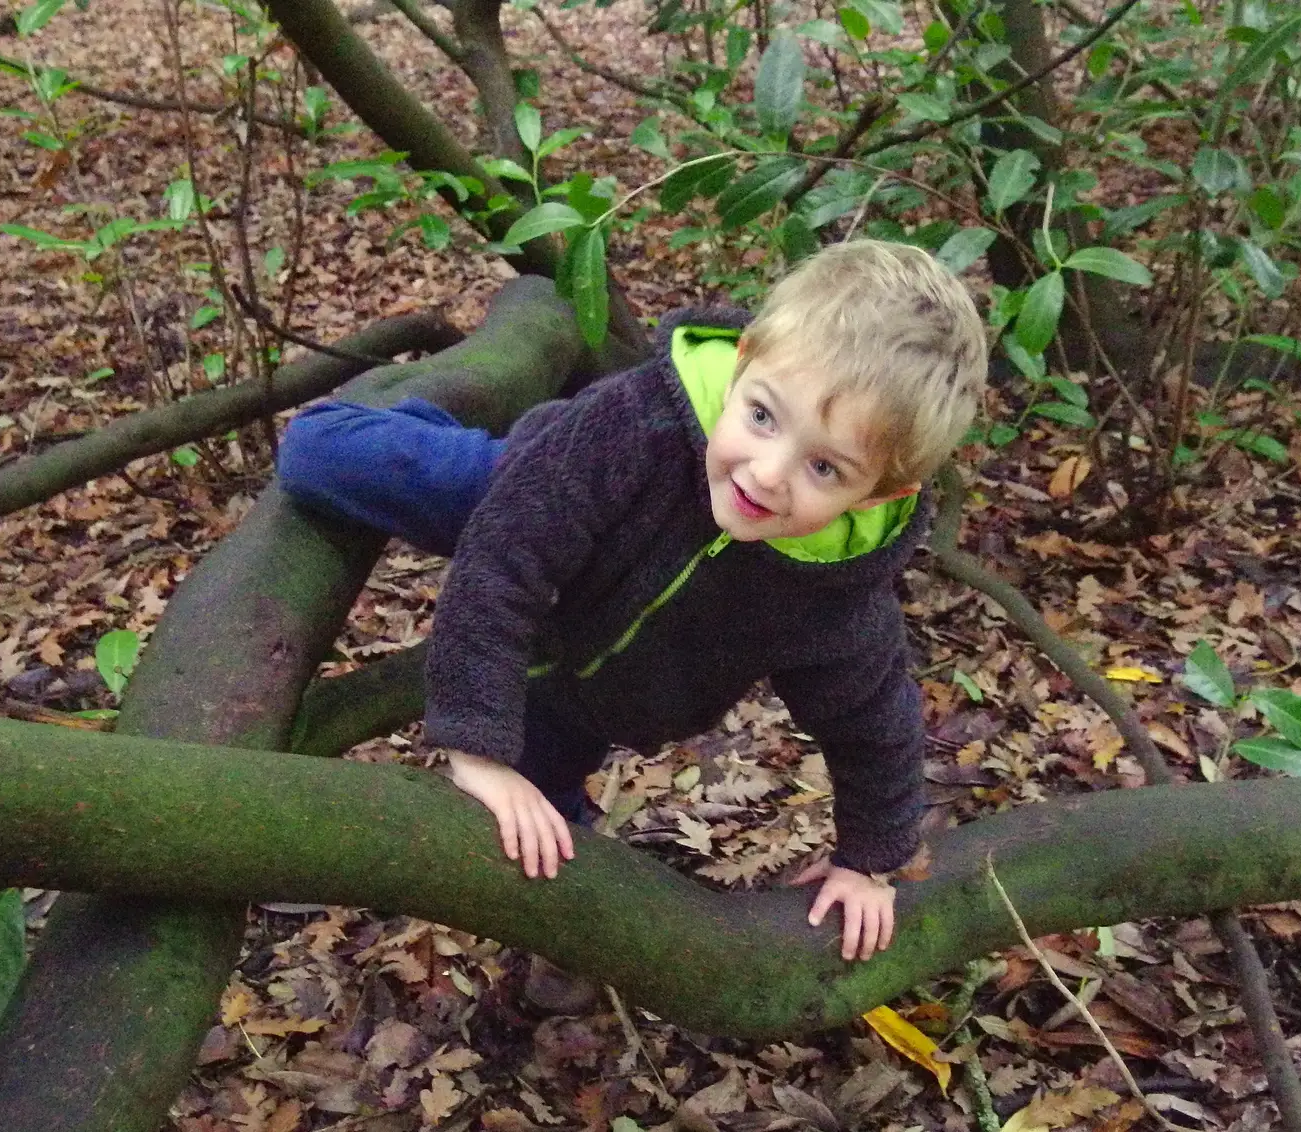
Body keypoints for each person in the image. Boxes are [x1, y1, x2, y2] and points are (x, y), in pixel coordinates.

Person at [277, 240, 988, 961]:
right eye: (764, 417)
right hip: (528, 494)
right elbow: (503, 561)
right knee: (317, 456)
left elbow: (873, 721)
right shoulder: (635, 422)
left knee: (542, 825)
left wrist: (869, 859)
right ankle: (419, 426)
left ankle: (569, 877)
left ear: (880, 493)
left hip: (593, 691)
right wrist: (473, 743)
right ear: (743, 361)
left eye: (825, 466)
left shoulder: (833, 593)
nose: (767, 473)